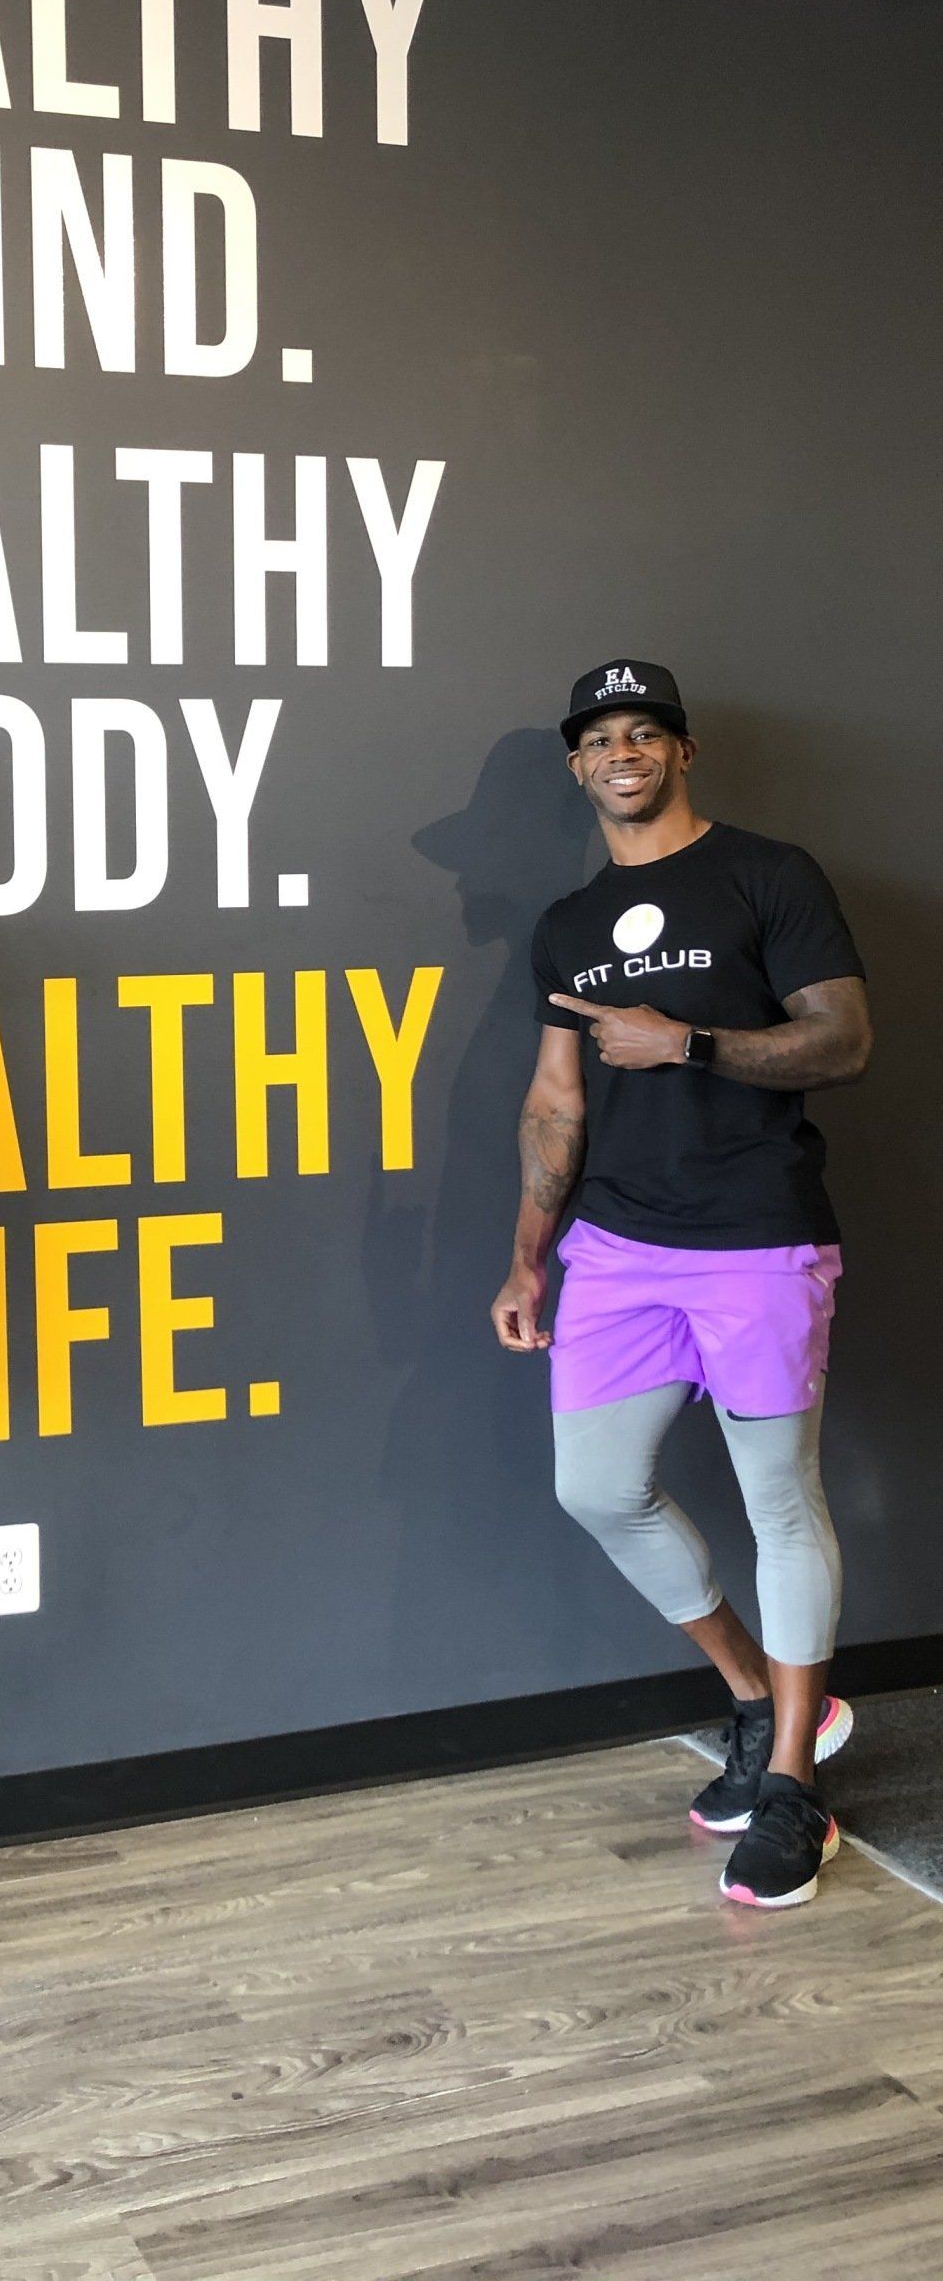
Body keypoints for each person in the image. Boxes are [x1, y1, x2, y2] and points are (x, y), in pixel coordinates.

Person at [491, 660, 871, 1909]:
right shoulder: (569, 921)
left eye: (645, 732)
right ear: (577, 766)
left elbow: (843, 1038)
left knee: (780, 1503)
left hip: (758, 1239)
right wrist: (528, 1258)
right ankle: (763, 1702)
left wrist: (690, 1040)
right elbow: (557, 1100)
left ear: (682, 752)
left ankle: (797, 1794)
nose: (623, 752)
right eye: (601, 738)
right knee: (596, 1484)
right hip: (618, 1251)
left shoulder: (771, 873)